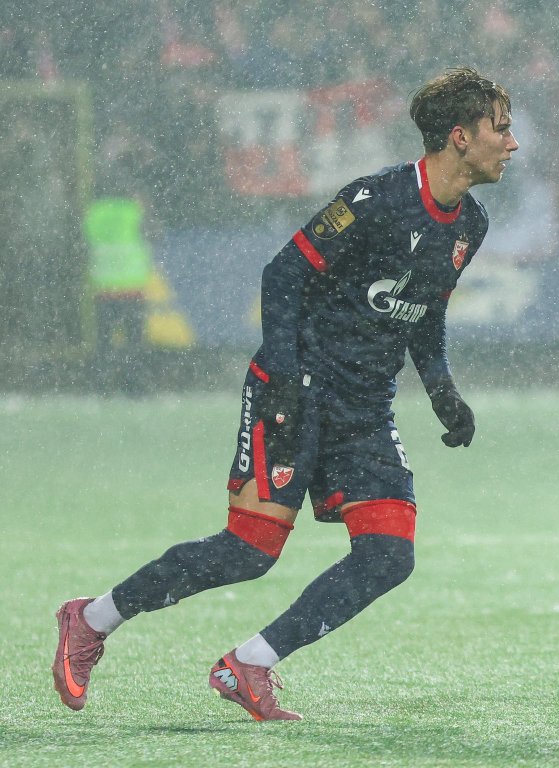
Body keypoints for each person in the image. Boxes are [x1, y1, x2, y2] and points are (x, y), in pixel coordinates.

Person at [52, 66, 518, 722]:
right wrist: (283, 375)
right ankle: (90, 619)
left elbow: (426, 310)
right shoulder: (375, 199)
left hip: (364, 406)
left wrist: (442, 390)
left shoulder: (470, 223)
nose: (512, 143)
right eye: (502, 128)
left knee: (388, 555)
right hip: (297, 387)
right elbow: (284, 272)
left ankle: (249, 664)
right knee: (248, 552)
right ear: (460, 136)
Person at [83, 192, 153, 395]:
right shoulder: (135, 211)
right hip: (133, 288)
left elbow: (84, 244)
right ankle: (134, 387)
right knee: (134, 342)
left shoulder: (93, 213)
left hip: (104, 289)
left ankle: (102, 387)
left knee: (104, 343)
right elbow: (155, 235)